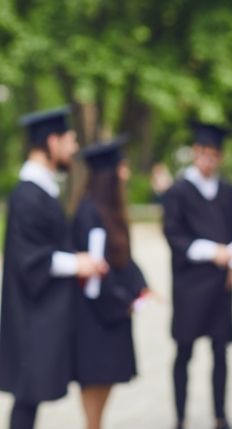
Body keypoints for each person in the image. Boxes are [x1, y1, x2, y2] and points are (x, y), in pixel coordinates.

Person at [0, 107, 107, 429]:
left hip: (39, 310)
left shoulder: (42, 188)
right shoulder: (28, 195)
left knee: (29, 396)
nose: (74, 149)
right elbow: (27, 258)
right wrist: (78, 262)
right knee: (27, 395)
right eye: (69, 140)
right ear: (51, 141)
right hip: (30, 314)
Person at [162, 122, 232, 429]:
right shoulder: (179, 191)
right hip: (189, 284)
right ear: (194, 153)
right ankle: (180, 417)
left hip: (220, 285)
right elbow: (173, 236)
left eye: (212, 155)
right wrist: (213, 252)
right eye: (201, 153)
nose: (206, 160)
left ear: (219, 157)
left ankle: (221, 415)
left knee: (220, 350)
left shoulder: (228, 192)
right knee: (184, 349)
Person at [72, 137, 149, 429]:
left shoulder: (110, 212)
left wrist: (140, 286)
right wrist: (123, 302)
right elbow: (96, 271)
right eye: (122, 167)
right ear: (109, 174)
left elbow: (122, 259)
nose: (126, 174)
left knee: (106, 384)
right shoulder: (89, 213)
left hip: (112, 312)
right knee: (95, 382)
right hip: (95, 317)